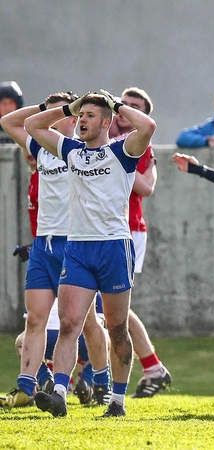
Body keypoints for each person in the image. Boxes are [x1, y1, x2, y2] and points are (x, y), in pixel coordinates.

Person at [24, 90, 156, 417]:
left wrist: (117, 104)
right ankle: (58, 394)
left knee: (117, 328)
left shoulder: (122, 151)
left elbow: (148, 126)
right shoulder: (71, 151)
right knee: (70, 324)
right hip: (79, 248)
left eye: (90, 116)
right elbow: (30, 125)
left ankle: (117, 401)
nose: (82, 120)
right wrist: (68, 107)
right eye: (80, 116)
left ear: (107, 122)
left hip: (114, 248)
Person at [0, 93, 111, 409]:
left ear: (73, 118)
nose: (50, 120)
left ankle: (100, 380)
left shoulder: (79, 150)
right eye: (48, 115)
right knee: (34, 320)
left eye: (61, 114)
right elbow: (8, 122)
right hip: (43, 246)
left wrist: (70, 109)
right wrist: (46, 108)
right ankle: (25, 387)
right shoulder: (41, 149)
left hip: (74, 244)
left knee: (82, 322)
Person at [107, 87, 173, 398]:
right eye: (124, 103)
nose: (126, 109)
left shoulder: (134, 144)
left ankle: (148, 368)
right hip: (99, 230)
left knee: (112, 307)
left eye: (135, 107)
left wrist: (110, 158)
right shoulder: (100, 136)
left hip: (127, 229)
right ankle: (149, 368)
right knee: (102, 308)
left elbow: (146, 186)